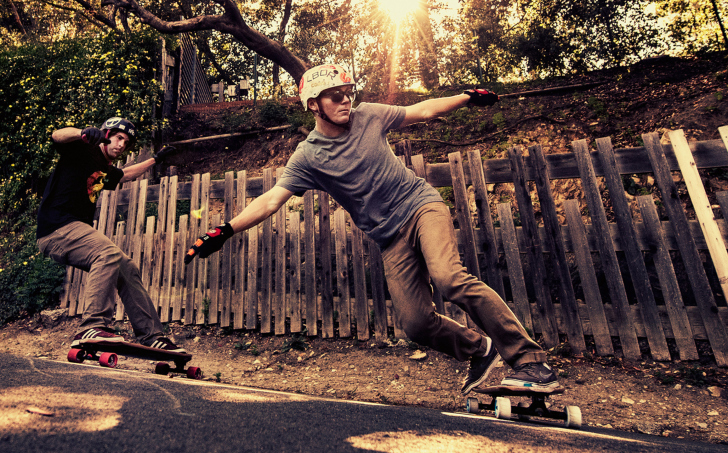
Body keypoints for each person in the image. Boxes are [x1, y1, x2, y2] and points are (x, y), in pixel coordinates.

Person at [184, 64, 559, 393]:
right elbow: (271, 200)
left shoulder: (369, 115)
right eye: (335, 97)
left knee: (449, 278)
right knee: (415, 324)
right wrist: (225, 230)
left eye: (348, 93)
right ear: (314, 105)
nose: (346, 102)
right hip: (389, 237)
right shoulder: (308, 156)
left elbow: (422, 110)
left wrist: (464, 97)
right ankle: (480, 349)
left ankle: (530, 362)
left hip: (421, 206)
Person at [37, 117, 185, 352]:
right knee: (107, 253)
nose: (121, 145)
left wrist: (155, 160)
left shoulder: (104, 169)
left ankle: (152, 335)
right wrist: (81, 132)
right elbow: (57, 135)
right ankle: (93, 325)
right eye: (118, 138)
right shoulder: (82, 150)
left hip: (74, 230)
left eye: (125, 143)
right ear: (106, 135)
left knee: (126, 266)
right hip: (56, 229)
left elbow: (125, 175)